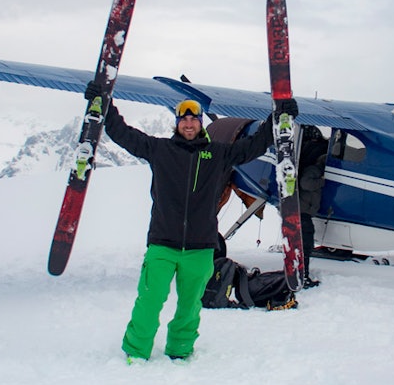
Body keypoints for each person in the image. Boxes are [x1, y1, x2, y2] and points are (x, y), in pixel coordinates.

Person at [88, 81, 297, 363]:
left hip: (200, 248)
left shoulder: (218, 155)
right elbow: (123, 134)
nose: (189, 124)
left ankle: (180, 350)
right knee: (149, 302)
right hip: (162, 245)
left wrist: (279, 118)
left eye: (194, 119)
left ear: (200, 124)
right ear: (177, 123)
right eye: (183, 119)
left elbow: (253, 146)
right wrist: (103, 103)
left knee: (189, 307)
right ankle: (136, 352)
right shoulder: (159, 149)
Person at [297, 125, 328, 288]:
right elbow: (306, 183)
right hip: (303, 212)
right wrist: (322, 181)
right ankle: (302, 276)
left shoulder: (309, 165)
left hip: (304, 212)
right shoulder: (313, 170)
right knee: (306, 245)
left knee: (305, 245)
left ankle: (302, 274)